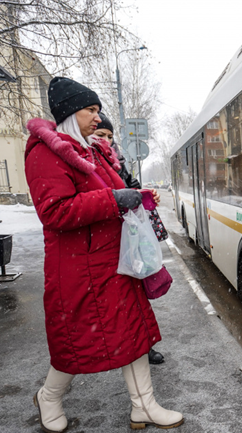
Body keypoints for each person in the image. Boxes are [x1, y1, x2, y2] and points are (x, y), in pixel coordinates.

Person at [24, 76, 182, 433]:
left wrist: (136, 194)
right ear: (69, 113)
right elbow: (55, 212)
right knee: (75, 342)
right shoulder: (45, 153)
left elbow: (115, 189)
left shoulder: (89, 150)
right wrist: (114, 200)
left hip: (112, 263)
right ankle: (49, 396)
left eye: (98, 110)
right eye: (90, 110)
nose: (98, 118)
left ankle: (144, 406)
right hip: (78, 270)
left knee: (132, 334)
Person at [92, 111, 165, 365]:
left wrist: (147, 195)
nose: (106, 140)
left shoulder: (116, 160)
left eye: (110, 136)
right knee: (120, 301)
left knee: (139, 291)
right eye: (100, 134)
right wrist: (117, 199)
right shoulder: (88, 161)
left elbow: (131, 186)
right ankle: (128, 350)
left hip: (129, 234)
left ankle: (144, 348)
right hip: (109, 241)